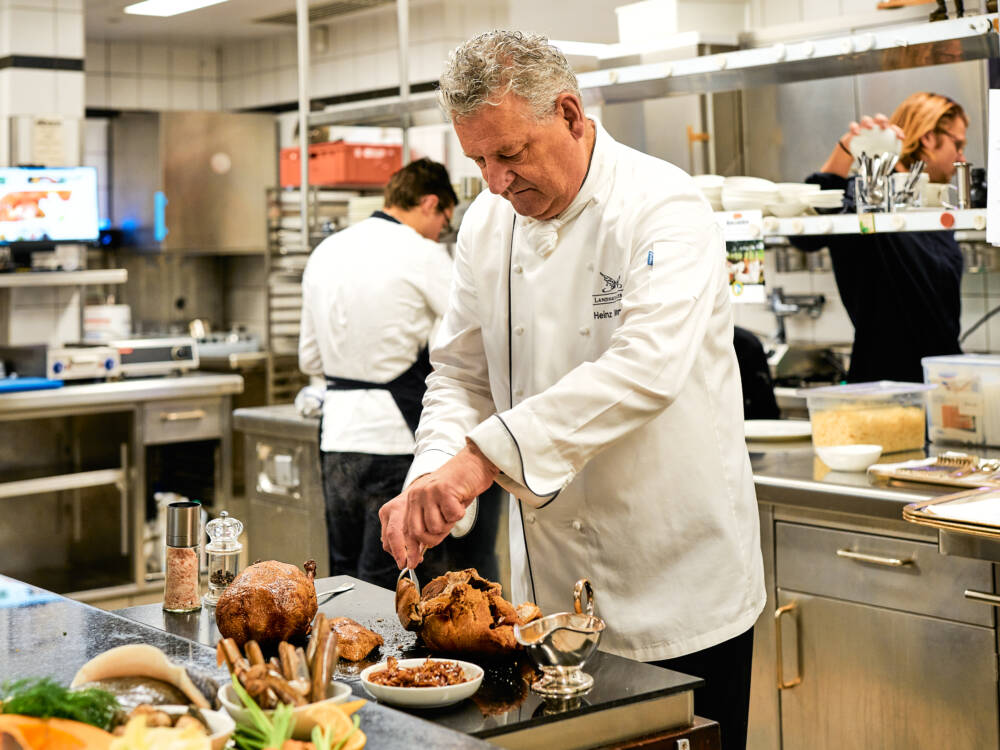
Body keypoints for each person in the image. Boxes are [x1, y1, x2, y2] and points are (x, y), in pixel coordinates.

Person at [378, 31, 765, 750]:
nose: (494, 182)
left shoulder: (663, 207)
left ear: (569, 112)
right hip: (550, 600)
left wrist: (483, 459)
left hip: (676, 585)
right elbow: (462, 373)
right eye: (478, 161)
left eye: (510, 154)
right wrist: (435, 473)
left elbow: (644, 367)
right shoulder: (490, 226)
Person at [298, 157, 457, 590]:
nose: (442, 229)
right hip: (397, 436)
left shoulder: (325, 251)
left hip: (339, 437)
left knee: (344, 577)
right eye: (445, 218)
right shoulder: (423, 253)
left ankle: (344, 659)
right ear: (430, 204)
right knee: (399, 580)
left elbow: (310, 359)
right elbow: (467, 333)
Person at [795, 92, 968, 383]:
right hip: (883, 386)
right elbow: (805, 235)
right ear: (928, 137)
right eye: (958, 144)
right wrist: (846, 150)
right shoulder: (869, 201)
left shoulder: (933, 207)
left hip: (943, 381)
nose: (962, 156)